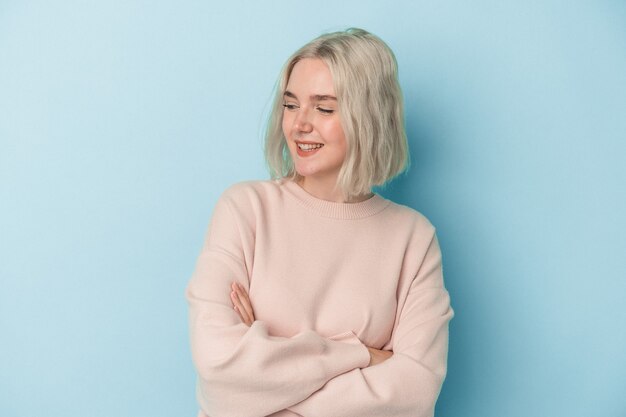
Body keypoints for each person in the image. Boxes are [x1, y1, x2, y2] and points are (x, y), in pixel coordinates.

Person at [186, 28, 454, 417]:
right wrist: (361, 354)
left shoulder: (413, 238)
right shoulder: (245, 209)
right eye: (291, 105)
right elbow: (221, 373)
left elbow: (415, 392)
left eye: (324, 108)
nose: (299, 124)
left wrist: (268, 374)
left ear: (370, 118)